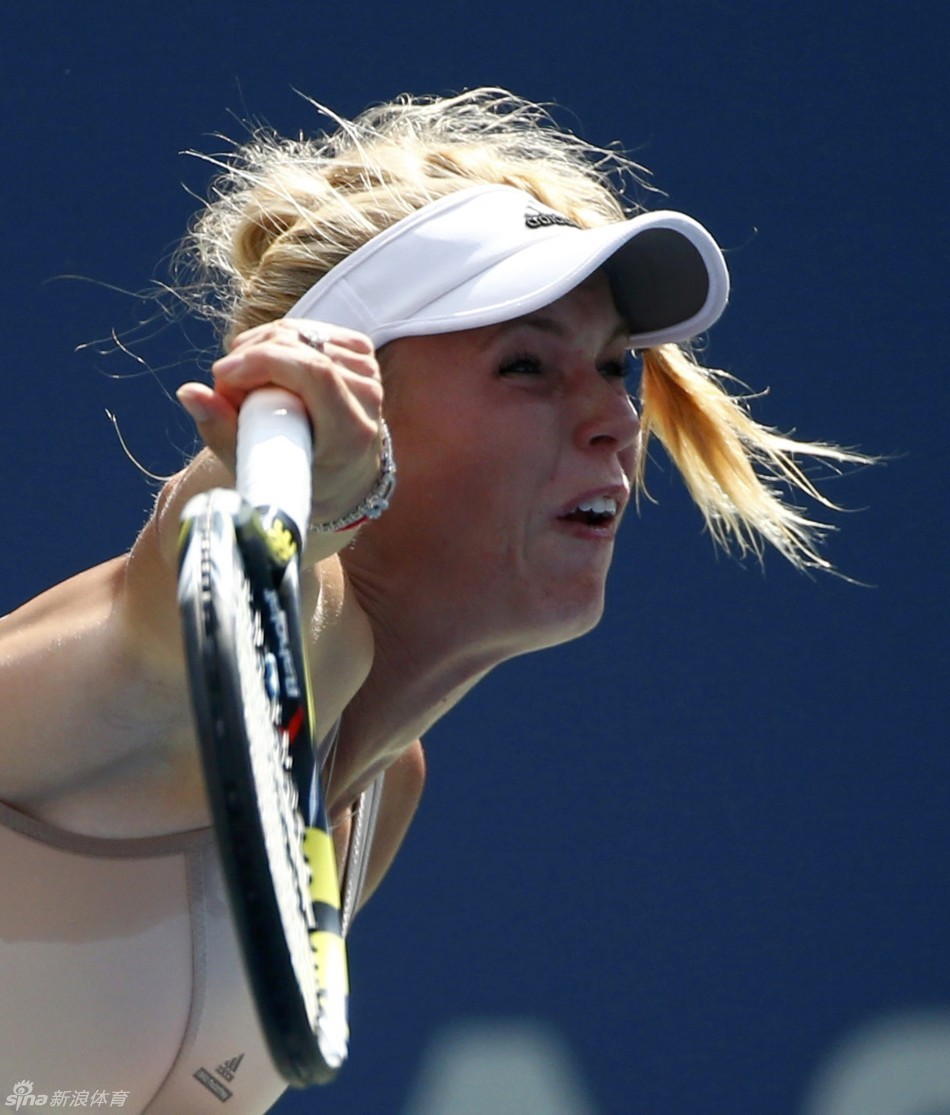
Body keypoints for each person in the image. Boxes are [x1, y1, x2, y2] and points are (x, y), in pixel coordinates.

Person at [0, 88, 860, 1112]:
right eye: (526, 365)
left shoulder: (377, 792)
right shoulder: (193, 660)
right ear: (344, 410)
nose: (613, 419)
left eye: (613, 366)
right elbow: (200, 582)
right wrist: (308, 485)